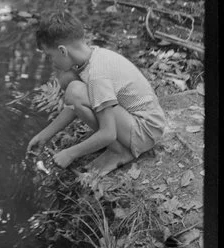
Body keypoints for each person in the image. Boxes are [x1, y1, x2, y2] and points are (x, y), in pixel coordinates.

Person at [26, 11, 166, 178]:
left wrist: (70, 153)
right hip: (139, 122)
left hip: (144, 131)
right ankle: (117, 147)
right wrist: (44, 135)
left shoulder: (97, 76)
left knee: (75, 91)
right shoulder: (93, 56)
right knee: (69, 81)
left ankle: (118, 152)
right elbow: (73, 107)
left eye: (50, 56)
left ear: (63, 51)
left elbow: (109, 134)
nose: (51, 62)